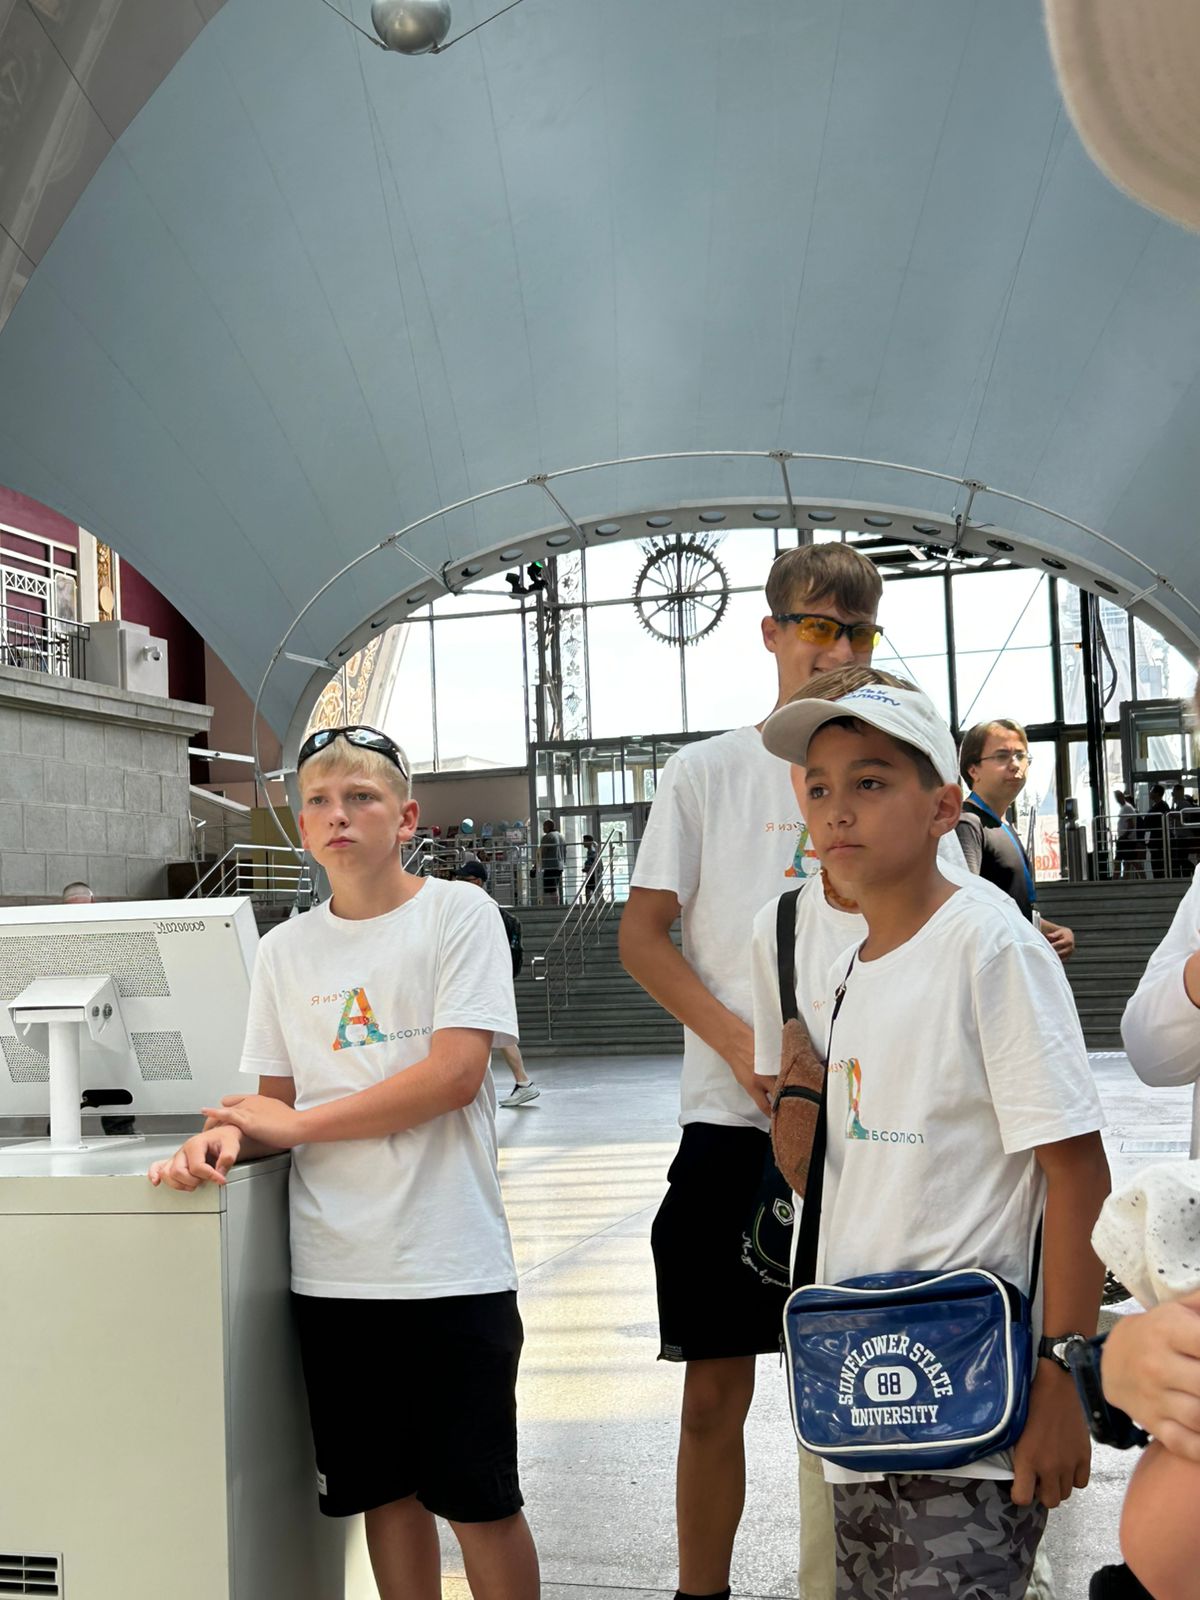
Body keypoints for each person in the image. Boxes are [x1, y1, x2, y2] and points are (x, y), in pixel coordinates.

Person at [148, 724, 539, 1600]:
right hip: (337, 1276)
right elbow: (275, 1105)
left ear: (406, 818)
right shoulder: (285, 950)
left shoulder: (458, 915)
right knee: (384, 1501)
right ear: (300, 824)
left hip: (449, 1266)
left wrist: (296, 1126)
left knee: (480, 1504)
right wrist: (228, 1135)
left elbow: (453, 1076)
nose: (339, 815)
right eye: (319, 801)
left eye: (361, 797)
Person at [757, 678, 1110, 1599]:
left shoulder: (992, 949)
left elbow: (1078, 1175)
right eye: (820, 787)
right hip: (863, 1389)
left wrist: (1064, 1378)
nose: (837, 810)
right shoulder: (853, 966)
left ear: (944, 808)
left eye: (870, 783)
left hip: (975, 1403)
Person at [619, 542, 888, 1600]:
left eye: (857, 630)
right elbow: (644, 937)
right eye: (817, 626)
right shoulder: (707, 772)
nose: (838, 649)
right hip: (733, 1127)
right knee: (711, 1394)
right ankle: (703, 1590)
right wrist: (743, 1047)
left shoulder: (897, 766)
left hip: (867, 1131)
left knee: (862, 1388)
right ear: (771, 632)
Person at [956, 719, 1076, 961]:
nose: (1015, 765)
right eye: (1002, 756)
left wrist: (1053, 931)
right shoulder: (968, 824)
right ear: (973, 770)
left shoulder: (1002, 824)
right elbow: (963, 905)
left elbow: (1014, 906)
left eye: (1021, 756)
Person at [456, 859, 540, 1108]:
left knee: (488, 1032)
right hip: (489, 981)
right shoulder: (484, 909)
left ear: (477, 882)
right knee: (495, 1033)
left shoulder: (484, 911)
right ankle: (522, 1082)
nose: (458, 884)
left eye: (463, 880)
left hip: (484, 982)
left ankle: (520, 1082)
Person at [1114, 792, 1144, 880]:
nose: (1117, 799)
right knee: (1130, 862)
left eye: (1117, 797)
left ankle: (1114, 882)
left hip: (1126, 840)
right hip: (1128, 840)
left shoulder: (1126, 808)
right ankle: (1125, 880)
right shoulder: (1126, 808)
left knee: (1119, 861)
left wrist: (1123, 837)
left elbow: (1131, 825)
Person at [539, 819, 565, 906]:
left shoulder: (547, 837)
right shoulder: (561, 836)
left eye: (544, 826)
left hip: (550, 866)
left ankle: (555, 906)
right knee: (555, 887)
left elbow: (541, 852)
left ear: (548, 826)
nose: (543, 828)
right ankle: (556, 905)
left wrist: (535, 866)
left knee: (551, 889)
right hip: (559, 866)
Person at [582, 834, 601, 902]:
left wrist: (587, 868)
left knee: (589, 889)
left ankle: (589, 904)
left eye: (585, 841)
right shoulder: (590, 851)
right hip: (592, 873)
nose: (583, 843)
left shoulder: (592, 851)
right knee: (592, 889)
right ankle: (591, 903)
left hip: (593, 873)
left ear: (589, 842)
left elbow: (593, 863)